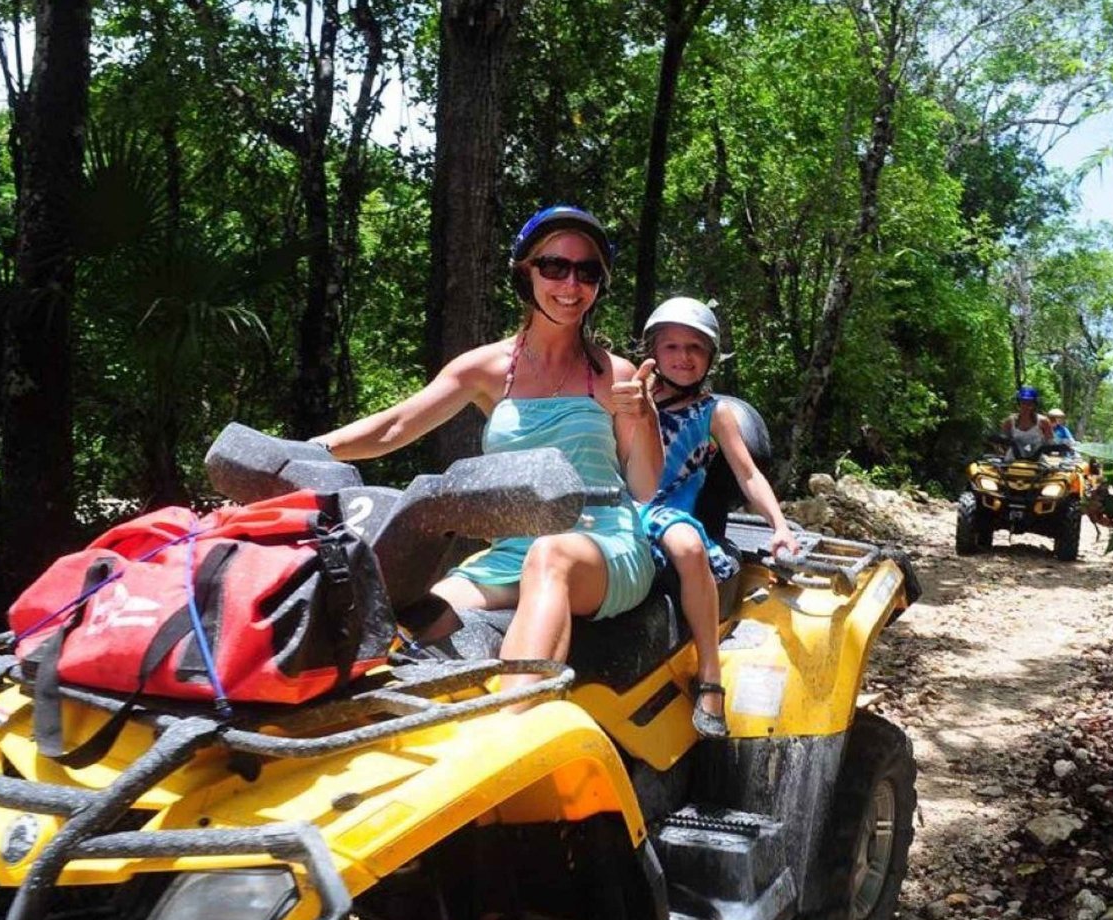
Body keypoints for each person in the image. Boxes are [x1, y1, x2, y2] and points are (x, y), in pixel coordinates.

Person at [312, 206, 661, 697]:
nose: (570, 283)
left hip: (600, 543)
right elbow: (394, 426)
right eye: (554, 266)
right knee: (402, 616)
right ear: (526, 272)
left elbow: (645, 485)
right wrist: (311, 451)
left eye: (587, 271)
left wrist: (643, 418)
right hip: (513, 551)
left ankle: (514, 726)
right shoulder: (487, 368)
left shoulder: (617, 376)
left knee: (550, 555)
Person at [638, 297, 799, 738]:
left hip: (667, 511)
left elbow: (748, 475)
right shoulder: (631, 396)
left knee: (687, 548)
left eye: (695, 347)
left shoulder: (714, 413)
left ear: (710, 357)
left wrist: (779, 526)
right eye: (671, 347)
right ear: (653, 351)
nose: (683, 357)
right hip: (619, 507)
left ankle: (710, 677)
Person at [1001, 385, 1054, 458]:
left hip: (1036, 460)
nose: (1026, 407)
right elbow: (1003, 442)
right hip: (1013, 460)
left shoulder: (1044, 421)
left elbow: (1050, 443)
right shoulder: (1009, 421)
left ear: (1035, 404)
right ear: (1019, 403)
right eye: (1023, 403)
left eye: (1030, 404)